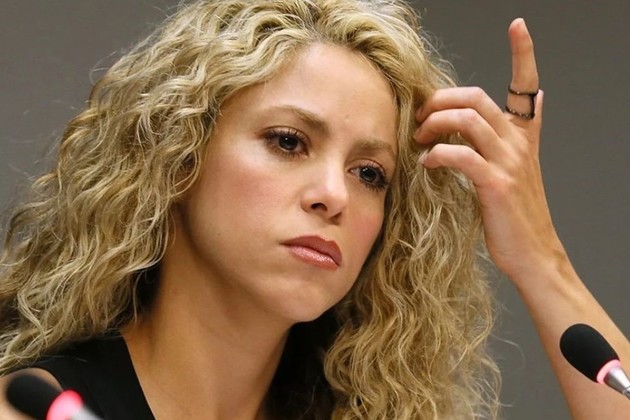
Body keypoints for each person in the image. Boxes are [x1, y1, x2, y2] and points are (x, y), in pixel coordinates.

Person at [0, 0, 627, 418]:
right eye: (288, 142)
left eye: (370, 173)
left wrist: (538, 256)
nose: (335, 195)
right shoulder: (42, 410)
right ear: (178, 155)